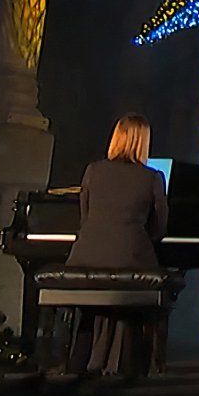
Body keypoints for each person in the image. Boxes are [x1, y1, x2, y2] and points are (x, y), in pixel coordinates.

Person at [61, 113, 171, 376]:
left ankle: (80, 359)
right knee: (149, 277)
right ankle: (132, 362)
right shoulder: (153, 177)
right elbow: (159, 229)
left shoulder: (93, 170)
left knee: (94, 295)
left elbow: (85, 218)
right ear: (144, 142)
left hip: (85, 256)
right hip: (129, 256)